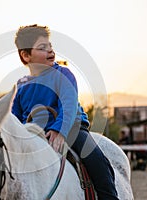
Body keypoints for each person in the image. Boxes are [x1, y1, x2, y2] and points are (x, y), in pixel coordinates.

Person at [11, 24, 119, 200]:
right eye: (42, 48)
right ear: (26, 55)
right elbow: (15, 117)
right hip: (34, 136)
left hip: (72, 130)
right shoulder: (21, 85)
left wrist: (59, 131)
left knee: (98, 162)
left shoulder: (64, 74)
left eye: (50, 46)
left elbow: (68, 105)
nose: (50, 51)